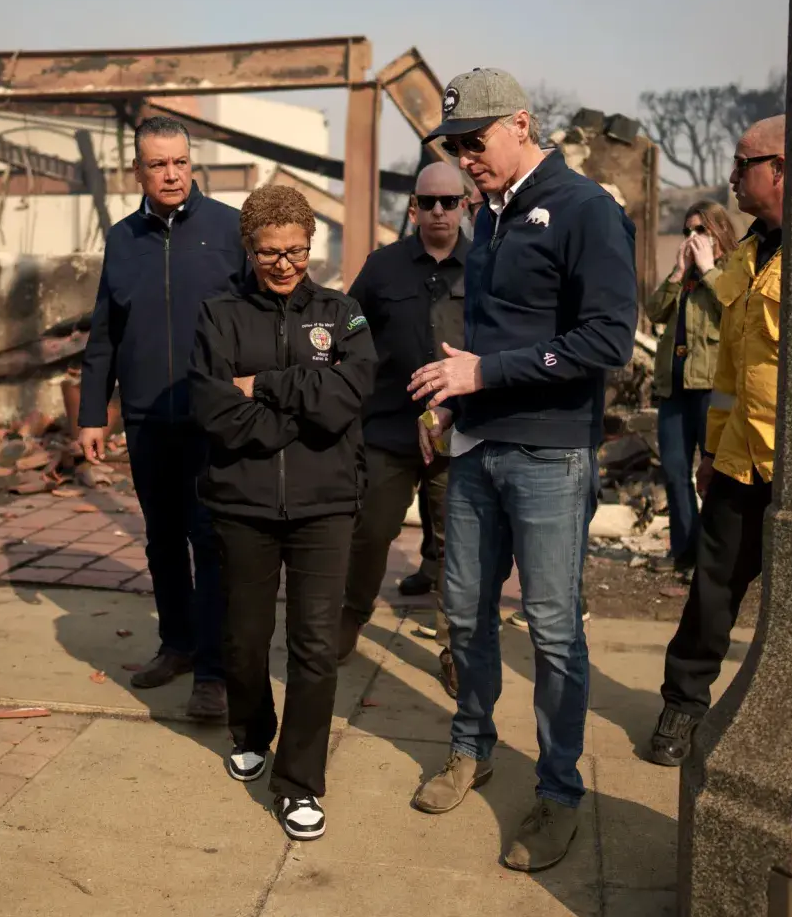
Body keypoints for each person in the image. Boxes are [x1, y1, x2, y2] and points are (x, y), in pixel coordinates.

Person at [405, 69, 637, 872]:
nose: (466, 159)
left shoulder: (586, 211)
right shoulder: (490, 217)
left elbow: (607, 341)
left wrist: (484, 376)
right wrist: (452, 402)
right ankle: (471, 748)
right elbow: (480, 340)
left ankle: (560, 791)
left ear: (522, 125)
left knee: (552, 629)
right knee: (464, 613)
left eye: (476, 142)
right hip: (477, 445)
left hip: (547, 452)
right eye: (456, 147)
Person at [189, 185, 376, 841]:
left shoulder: (343, 313)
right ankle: (250, 730)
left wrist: (267, 388)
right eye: (270, 253)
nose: (284, 263)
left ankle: (299, 783)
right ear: (250, 248)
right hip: (242, 503)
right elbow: (213, 409)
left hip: (325, 506)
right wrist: (297, 418)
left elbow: (347, 397)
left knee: (315, 646)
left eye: (296, 249)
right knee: (243, 637)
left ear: (310, 241)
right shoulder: (218, 316)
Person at [77, 116, 245, 721]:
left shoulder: (230, 229)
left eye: (179, 162)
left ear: (191, 162)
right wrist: (93, 413)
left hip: (212, 417)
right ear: (138, 171)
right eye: (157, 164)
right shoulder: (122, 239)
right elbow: (104, 332)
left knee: (210, 540)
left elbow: (256, 318)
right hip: (147, 419)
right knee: (162, 540)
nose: (171, 174)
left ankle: (214, 671)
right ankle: (175, 645)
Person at [645, 117, 787, 767]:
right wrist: (712, 452)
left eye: (743, 164)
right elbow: (730, 374)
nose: (732, 178)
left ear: (781, 168)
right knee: (711, 590)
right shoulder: (751, 258)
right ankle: (683, 706)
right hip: (739, 464)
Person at [340, 163, 470, 695]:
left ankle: (457, 648)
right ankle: (348, 618)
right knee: (369, 530)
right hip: (390, 428)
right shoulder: (384, 266)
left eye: (449, 201)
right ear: (413, 207)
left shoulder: (488, 267)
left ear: (466, 205)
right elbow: (350, 325)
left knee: (459, 546)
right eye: (428, 202)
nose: (439, 211)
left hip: (461, 431)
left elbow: (504, 341)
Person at [641, 200, 737, 578]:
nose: (692, 239)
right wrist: (678, 273)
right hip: (674, 388)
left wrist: (709, 270)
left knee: (713, 474)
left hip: (712, 388)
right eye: (687, 232)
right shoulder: (684, 276)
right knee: (675, 471)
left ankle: (713, 558)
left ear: (718, 234)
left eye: (700, 231)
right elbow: (653, 312)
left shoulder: (729, 271)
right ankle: (684, 551)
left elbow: (734, 309)